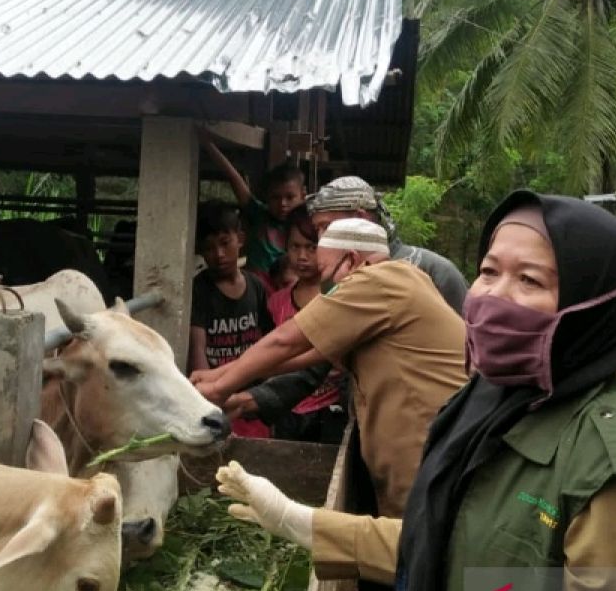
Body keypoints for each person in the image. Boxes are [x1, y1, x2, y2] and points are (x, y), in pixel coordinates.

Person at [216, 192, 616, 591]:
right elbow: (451, 544)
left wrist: (219, 384)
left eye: (529, 280)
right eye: (488, 272)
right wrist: (298, 522)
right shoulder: (489, 405)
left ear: (596, 307)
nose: (492, 297)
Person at [193, 217, 467, 518]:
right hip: (428, 454)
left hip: (424, 455)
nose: (326, 288)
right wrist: (219, 374)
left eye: (326, 274)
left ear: (351, 260)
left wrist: (217, 389)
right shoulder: (403, 283)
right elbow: (310, 354)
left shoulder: (378, 281)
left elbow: (286, 341)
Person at [227, 206, 349, 444]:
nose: (302, 256)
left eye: (311, 248)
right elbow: (271, 351)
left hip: (331, 408)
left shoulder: (339, 297)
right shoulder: (277, 302)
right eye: (295, 247)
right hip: (285, 410)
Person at [305, 175, 468, 312]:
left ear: (361, 218)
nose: (321, 239)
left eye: (327, 227)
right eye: (317, 229)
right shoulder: (334, 276)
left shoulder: (435, 271)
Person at [188, 201, 274, 438]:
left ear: (241, 239)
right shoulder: (199, 289)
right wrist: (207, 401)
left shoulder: (256, 286)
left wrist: (265, 393)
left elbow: (268, 341)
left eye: (225, 244)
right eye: (209, 248)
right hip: (217, 397)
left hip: (250, 395)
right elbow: (198, 348)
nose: (219, 254)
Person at [200, 131, 306, 292]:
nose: (283, 204)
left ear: (303, 195)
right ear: (266, 198)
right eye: (276, 198)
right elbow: (234, 179)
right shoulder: (259, 215)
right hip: (255, 296)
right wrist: (209, 145)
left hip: (288, 299)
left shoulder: (307, 227)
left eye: (290, 197)